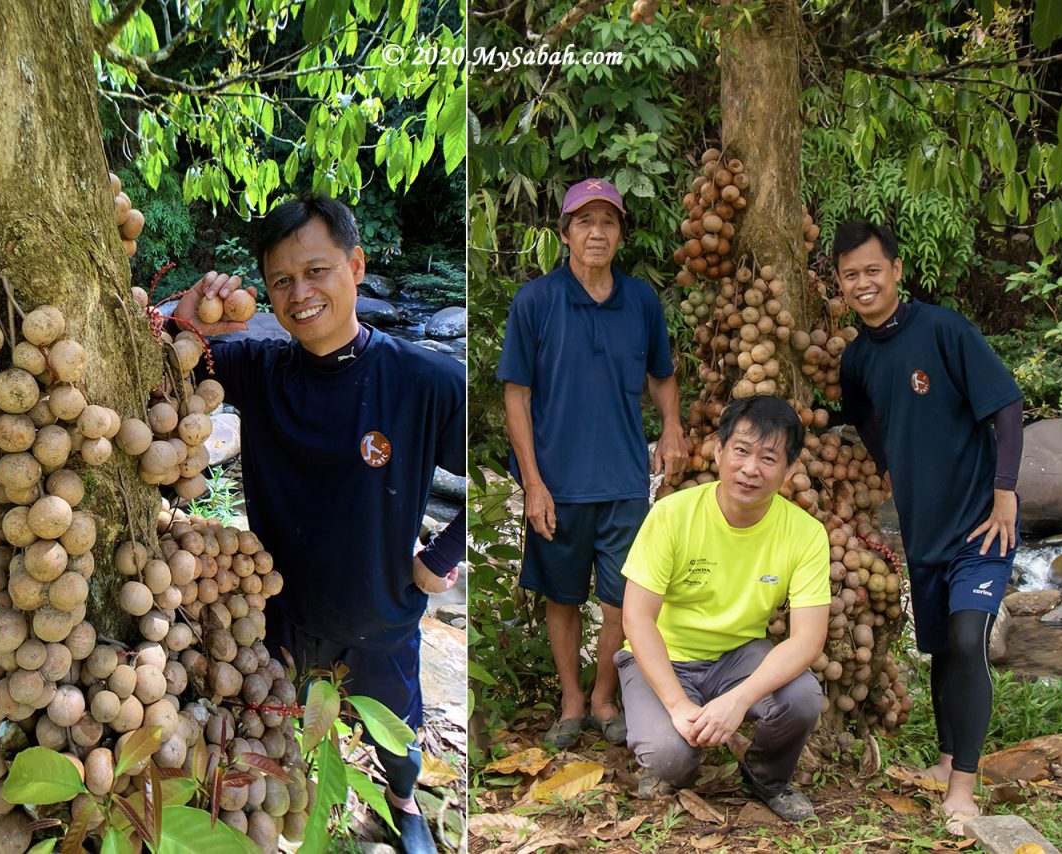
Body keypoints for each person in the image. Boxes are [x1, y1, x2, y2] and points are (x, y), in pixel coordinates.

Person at [173, 195, 466, 853]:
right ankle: (300, 806)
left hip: (382, 613)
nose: (299, 293)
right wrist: (187, 320)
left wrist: (443, 553)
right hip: (286, 613)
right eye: (281, 280)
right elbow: (166, 355)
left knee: (398, 733)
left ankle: (401, 805)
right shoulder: (257, 368)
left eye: (316, 271)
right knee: (282, 729)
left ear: (355, 265)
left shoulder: (427, 381)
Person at [834, 220, 1023, 823]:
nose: (863, 284)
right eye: (850, 275)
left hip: (980, 525)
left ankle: (962, 791)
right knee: (942, 645)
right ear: (839, 285)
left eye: (872, 270)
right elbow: (861, 414)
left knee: (969, 640)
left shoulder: (944, 330)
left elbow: (1007, 405)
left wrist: (1006, 492)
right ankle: (946, 760)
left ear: (895, 270)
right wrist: (888, 462)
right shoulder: (858, 358)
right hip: (923, 529)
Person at [497, 178, 687, 749]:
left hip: (624, 479)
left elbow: (662, 375)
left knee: (621, 602)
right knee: (562, 597)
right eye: (584, 221)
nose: (597, 232)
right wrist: (533, 483)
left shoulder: (642, 302)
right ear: (564, 234)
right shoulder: (536, 301)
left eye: (608, 221)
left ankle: (604, 699)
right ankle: (572, 701)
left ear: (620, 234)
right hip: (556, 482)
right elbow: (517, 397)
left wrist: (672, 427)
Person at [616, 395, 830, 821]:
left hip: (737, 657)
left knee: (804, 696)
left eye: (769, 458)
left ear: (789, 471)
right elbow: (637, 618)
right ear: (718, 450)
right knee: (671, 758)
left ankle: (766, 778)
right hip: (664, 656)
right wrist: (678, 705)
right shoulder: (672, 515)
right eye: (741, 451)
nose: (751, 469)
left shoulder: (805, 534)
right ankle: (661, 739)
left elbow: (807, 638)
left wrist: (739, 699)